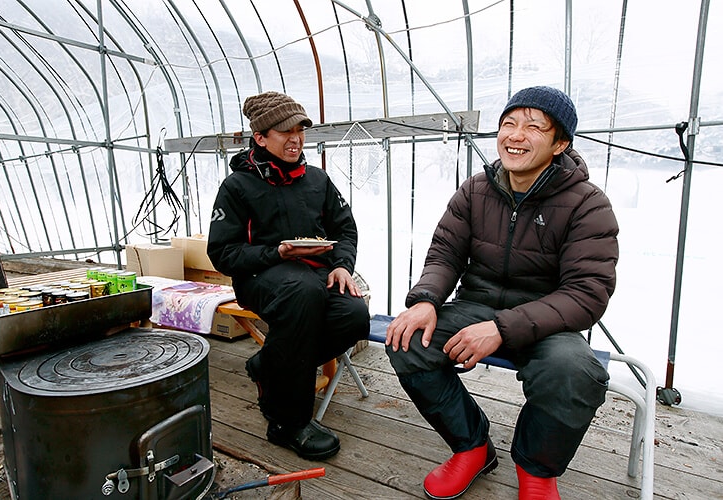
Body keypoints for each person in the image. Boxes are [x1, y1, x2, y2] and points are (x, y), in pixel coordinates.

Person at [385, 86, 619, 499]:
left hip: (547, 323)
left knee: (574, 372)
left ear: (560, 144)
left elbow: (587, 292)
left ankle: (537, 472)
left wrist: (501, 328)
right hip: (476, 305)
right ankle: (471, 447)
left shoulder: (587, 204)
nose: (516, 135)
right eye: (508, 124)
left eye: (533, 127)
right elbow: (445, 254)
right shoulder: (477, 190)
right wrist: (425, 300)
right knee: (407, 340)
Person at [207, 91, 369, 461]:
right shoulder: (237, 187)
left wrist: (342, 265)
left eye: (300, 130)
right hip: (260, 278)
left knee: (355, 315)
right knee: (302, 292)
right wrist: (276, 252)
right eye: (285, 132)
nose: (296, 139)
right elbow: (223, 252)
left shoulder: (317, 180)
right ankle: (287, 422)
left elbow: (345, 230)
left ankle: (267, 364)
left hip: (317, 277)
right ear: (261, 138)